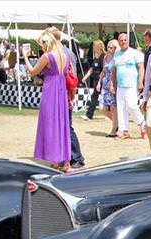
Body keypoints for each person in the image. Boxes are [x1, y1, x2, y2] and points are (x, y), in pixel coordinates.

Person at [23, 29, 71, 172]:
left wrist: (25, 56)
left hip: (51, 89)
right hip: (61, 89)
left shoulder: (47, 56)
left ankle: (55, 160)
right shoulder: (64, 55)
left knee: (50, 123)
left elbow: (33, 71)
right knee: (62, 124)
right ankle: (65, 161)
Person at [57, 33, 85, 169]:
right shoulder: (62, 53)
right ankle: (67, 157)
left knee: (67, 127)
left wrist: (71, 96)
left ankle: (76, 157)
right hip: (61, 94)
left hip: (65, 94)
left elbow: (71, 77)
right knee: (63, 128)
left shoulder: (64, 54)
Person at [111, 33, 146, 140]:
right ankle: (123, 130)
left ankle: (142, 122)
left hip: (132, 84)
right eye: (121, 40)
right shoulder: (116, 54)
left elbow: (141, 67)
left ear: (128, 41)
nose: (123, 42)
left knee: (131, 105)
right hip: (120, 85)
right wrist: (112, 83)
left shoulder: (134, 53)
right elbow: (113, 70)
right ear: (118, 42)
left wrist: (140, 81)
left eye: (125, 40)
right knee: (121, 108)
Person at [98, 39, 119, 137]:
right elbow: (103, 71)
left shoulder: (117, 58)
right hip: (105, 84)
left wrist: (113, 85)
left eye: (111, 47)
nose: (109, 49)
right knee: (102, 107)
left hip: (113, 84)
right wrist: (99, 82)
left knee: (114, 108)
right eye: (108, 47)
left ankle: (114, 128)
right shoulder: (105, 57)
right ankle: (118, 123)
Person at [80, 39, 104, 121]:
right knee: (95, 96)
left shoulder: (103, 56)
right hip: (96, 80)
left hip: (102, 81)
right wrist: (85, 77)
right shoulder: (96, 57)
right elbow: (92, 69)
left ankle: (89, 114)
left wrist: (100, 82)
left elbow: (104, 70)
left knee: (95, 96)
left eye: (94, 45)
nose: (93, 47)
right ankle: (89, 114)